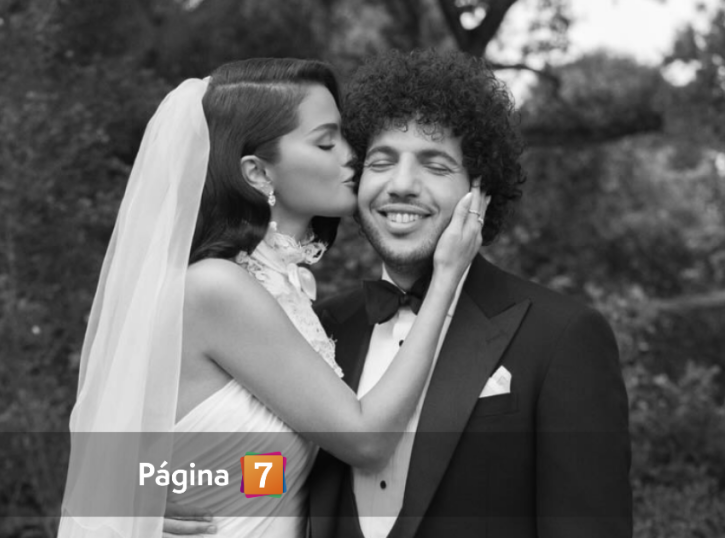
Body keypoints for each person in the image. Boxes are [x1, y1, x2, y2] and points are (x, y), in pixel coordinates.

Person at [165, 49, 632, 538]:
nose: (402, 185)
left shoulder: (561, 337)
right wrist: (149, 494)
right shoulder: (323, 328)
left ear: (480, 189)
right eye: (381, 161)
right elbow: (268, 470)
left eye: (435, 165)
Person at [58, 57, 486, 538]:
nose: (353, 155)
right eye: (326, 142)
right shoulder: (217, 288)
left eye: (347, 137)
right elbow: (366, 441)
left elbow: (260, 474)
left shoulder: (287, 290)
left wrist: (162, 481)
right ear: (258, 173)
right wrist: (446, 277)